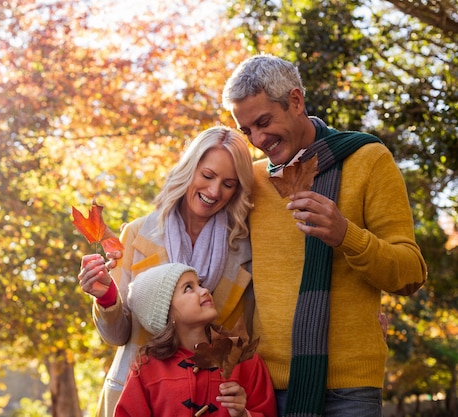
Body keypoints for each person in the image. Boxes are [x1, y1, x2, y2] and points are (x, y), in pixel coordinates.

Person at [221, 54, 427, 417]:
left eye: (264, 122)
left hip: (351, 389)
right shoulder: (250, 180)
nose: (258, 139)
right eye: (247, 130)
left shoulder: (368, 160)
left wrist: (346, 234)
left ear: (296, 101)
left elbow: (410, 273)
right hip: (267, 385)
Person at [78, 126, 256, 417]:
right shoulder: (138, 233)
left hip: (212, 401)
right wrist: (106, 298)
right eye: (208, 176)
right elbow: (116, 335)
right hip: (137, 396)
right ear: (189, 169)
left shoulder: (243, 249)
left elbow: (242, 339)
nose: (214, 191)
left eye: (229, 184)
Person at [115, 262, 277, 417]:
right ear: (166, 311)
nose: (205, 290)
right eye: (188, 288)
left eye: (199, 284)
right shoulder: (146, 369)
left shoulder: (244, 361)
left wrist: (243, 414)